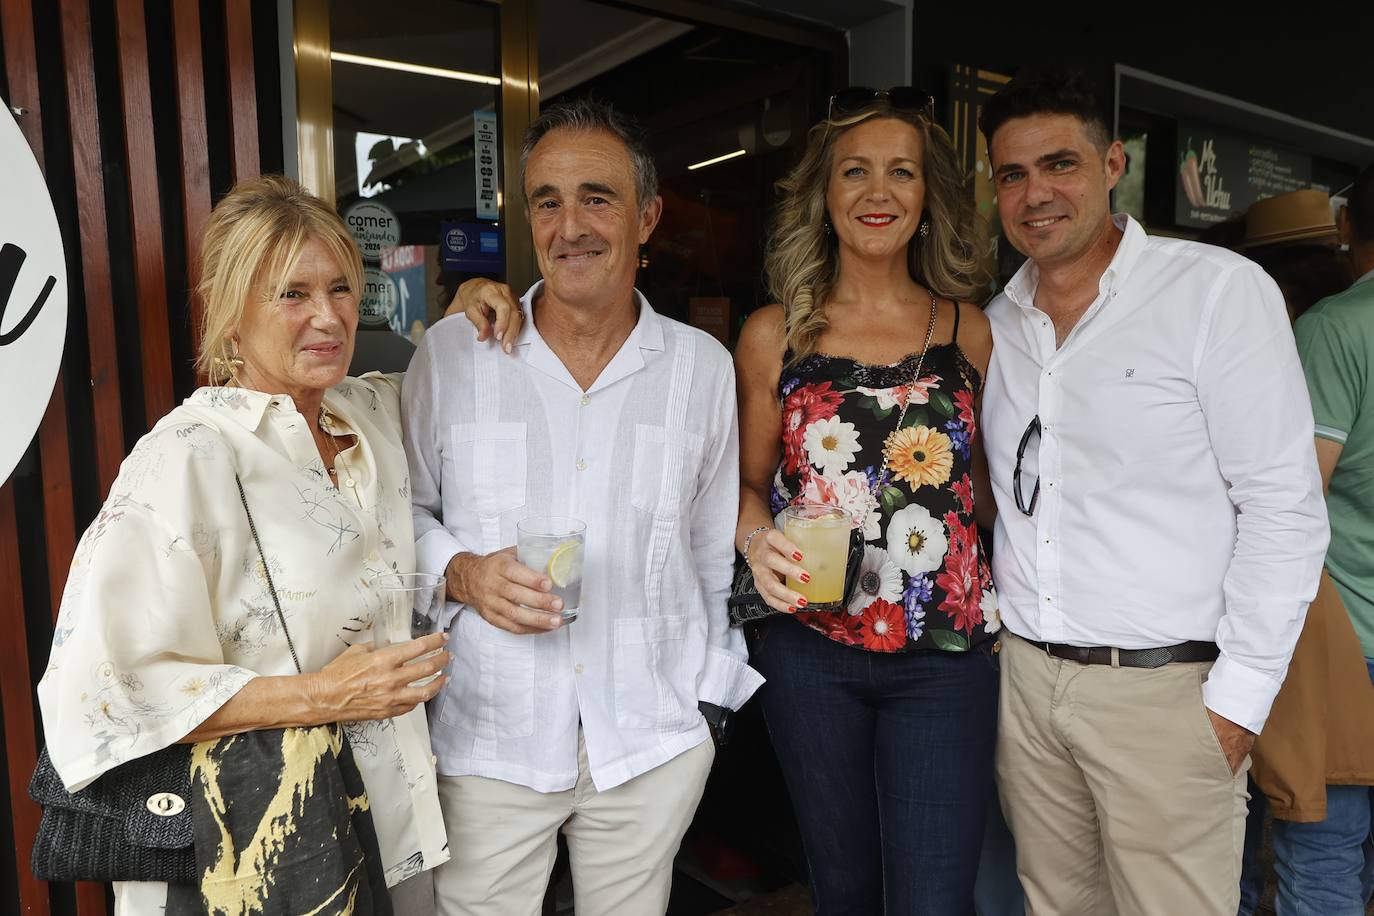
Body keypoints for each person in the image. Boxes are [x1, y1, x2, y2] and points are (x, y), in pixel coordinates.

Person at [35, 175, 451, 914]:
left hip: (389, 825)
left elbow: (450, 374)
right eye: (291, 295)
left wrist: (484, 307)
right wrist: (325, 695)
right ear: (232, 317)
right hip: (246, 856)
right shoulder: (185, 455)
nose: (327, 317)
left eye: (341, 289)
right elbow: (100, 690)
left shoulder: (365, 414)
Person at [978, 69, 1329, 916]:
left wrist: (1237, 704)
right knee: (1054, 905)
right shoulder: (997, 321)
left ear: (1111, 165)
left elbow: (1283, 506)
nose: (1036, 194)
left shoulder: (1213, 292)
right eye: (1012, 175)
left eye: (1058, 165)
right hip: (1026, 683)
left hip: (1168, 695)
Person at [405, 98, 762, 916]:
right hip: (491, 734)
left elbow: (710, 549)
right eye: (547, 201)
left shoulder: (699, 368)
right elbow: (404, 513)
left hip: (649, 735)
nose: (571, 226)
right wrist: (460, 572)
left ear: (648, 215)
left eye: (597, 198)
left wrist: (711, 696)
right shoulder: (454, 353)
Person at [730, 86, 1000, 913]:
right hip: (810, 647)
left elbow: (989, 493)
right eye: (855, 172)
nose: (878, 193)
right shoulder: (775, 333)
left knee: (936, 896)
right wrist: (754, 546)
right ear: (825, 193)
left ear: (928, 197)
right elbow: (743, 484)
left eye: (901, 173)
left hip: (945, 658)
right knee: (843, 889)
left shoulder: (973, 329)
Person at [1263, 161, 1374, 915]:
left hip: (1345, 636)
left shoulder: (1334, 329)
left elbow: (1293, 494)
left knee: (1324, 852)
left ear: (1346, 230)